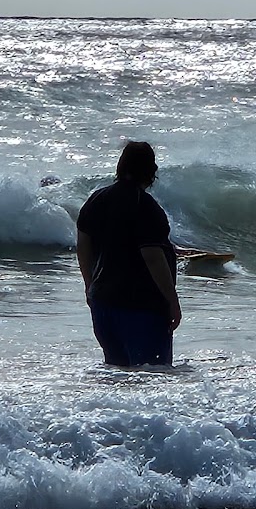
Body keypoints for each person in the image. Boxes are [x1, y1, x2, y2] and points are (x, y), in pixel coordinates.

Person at [76, 141, 180, 367]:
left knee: (117, 376)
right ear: (151, 172)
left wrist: (89, 285)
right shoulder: (145, 207)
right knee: (152, 379)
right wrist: (172, 301)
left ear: (120, 166)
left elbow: (82, 245)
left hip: (103, 305)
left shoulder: (97, 199)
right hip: (140, 308)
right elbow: (152, 256)